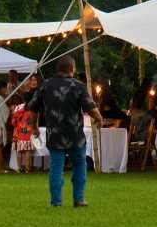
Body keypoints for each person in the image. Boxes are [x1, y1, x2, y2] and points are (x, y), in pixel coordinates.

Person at [27, 56, 104, 207]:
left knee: (56, 167)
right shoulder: (78, 86)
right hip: (75, 135)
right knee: (79, 165)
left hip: (54, 134)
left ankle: (56, 201)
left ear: (58, 69)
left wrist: (34, 127)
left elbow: (33, 109)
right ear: (72, 69)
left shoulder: (45, 85)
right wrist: (99, 118)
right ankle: (79, 199)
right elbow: (91, 107)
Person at [11, 98, 38, 174]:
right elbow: (33, 124)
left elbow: (13, 123)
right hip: (28, 135)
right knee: (27, 153)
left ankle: (19, 168)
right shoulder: (31, 113)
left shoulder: (19, 113)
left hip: (19, 135)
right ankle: (27, 168)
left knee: (19, 152)